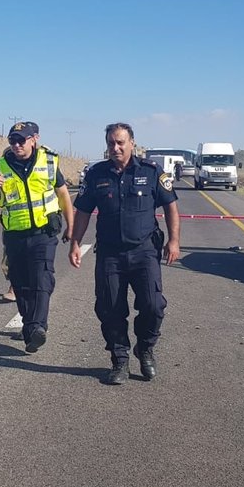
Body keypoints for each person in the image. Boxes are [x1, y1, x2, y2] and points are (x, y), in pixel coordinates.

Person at [69, 122, 180, 385]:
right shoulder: (97, 174)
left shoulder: (151, 172)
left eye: (120, 142)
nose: (115, 148)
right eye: (111, 143)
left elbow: (171, 206)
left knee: (153, 306)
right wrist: (75, 243)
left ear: (132, 143)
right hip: (110, 254)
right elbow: (83, 211)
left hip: (144, 252)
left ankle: (145, 348)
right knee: (110, 308)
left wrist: (174, 241)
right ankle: (119, 359)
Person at [0, 122, 73, 353]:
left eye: (21, 140)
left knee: (42, 278)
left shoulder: (49, 162)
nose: (16, 145)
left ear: (34, 139)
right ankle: (30, 327)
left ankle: (37, 326)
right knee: (20, 284)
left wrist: (71, 227)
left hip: (43, 232)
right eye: (12, 141)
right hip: (15, 234)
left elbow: (63, 194)